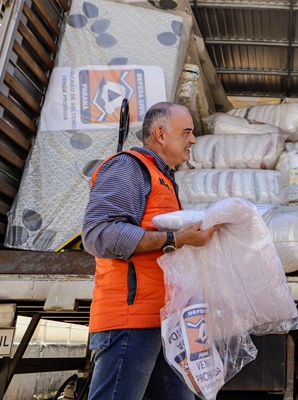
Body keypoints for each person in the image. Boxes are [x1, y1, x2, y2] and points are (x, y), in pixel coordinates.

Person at [82, 102, 221, 400]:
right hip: (130, 321)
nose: (193, 140)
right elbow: (98, 234)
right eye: (186, 132)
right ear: (160, 134)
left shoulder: (164, 178)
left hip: (162, 321)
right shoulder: (127, 167)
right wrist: (174, 238)